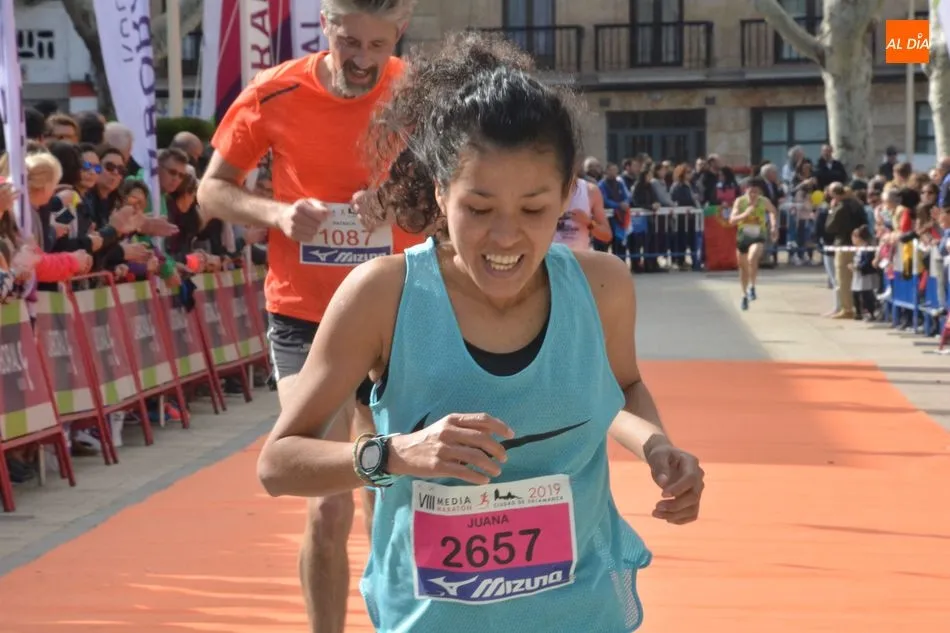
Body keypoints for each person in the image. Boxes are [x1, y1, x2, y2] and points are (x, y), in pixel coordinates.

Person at [257, 32, 705, 633]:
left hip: (580, 611)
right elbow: (278, 463)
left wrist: (658, 446)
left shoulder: (602, 287)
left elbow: (621, 389)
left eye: (534, 209)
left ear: (566, 196)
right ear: (441, 193)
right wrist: (396, 454)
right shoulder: (382, 296)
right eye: (479, 208)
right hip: (432, 618)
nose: (505, 236)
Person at [196, 1, 420, 631]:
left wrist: (399, 201)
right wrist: (277, 213)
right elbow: (211, 189)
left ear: (400, 30)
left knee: (390, 493)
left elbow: (458, 188)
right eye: (350, 42)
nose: (362, 60)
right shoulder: (274, 93)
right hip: (306, 315)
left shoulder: (418, 95)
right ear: (326, 23)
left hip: (397, 307)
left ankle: (394, 621)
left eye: (377, 45)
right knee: (326, 502)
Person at [729, 177, 778, 311]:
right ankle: (744, 294)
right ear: (746, 190)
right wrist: (745, 214)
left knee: (752, 258)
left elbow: (773, 211)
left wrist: (773, 226)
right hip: (743, 236)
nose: (753, 195)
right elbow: (732, 220)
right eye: (750, 192)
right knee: (743, 268)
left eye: (756, 192)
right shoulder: (740, 201)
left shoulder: (764, 201)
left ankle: (752, 286)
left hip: (758, 235)